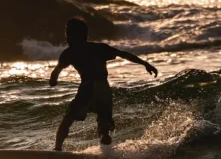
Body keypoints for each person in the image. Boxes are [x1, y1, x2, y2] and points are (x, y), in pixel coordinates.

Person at [50, 17, 158, 150]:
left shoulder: (69, 53)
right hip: (103, 88)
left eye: (68, 34)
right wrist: (145, 63)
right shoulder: (100, 48)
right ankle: (106, 152)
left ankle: (57, 149)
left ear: (76, 35)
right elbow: (123, 54)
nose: (66, 38)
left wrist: (53, 81)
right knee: (103, 125)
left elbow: (55, 74)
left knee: (67, 120)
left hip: (87, 87)